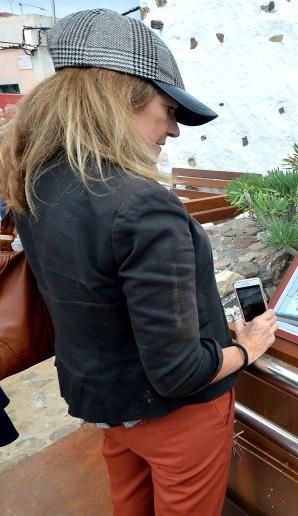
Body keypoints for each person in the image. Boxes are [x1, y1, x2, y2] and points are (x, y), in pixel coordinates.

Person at [0, 9, 277, 516]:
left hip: (104, 403)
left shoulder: (34, 183)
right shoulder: (141, 204)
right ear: (119, 94)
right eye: (169, 109)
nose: (174, 130)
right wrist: (247, 347)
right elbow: (179, 372)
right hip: (176, 419)